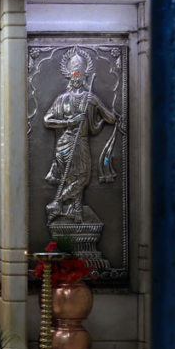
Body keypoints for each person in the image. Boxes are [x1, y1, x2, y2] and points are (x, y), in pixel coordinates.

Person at [43, 48, 116, 223]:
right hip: (65, 144)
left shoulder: (91, 98)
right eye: (73, 74)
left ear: (85, 76)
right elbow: (46, 120)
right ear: (69, 75)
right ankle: (76, 212)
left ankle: (58, 202)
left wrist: (97, 105)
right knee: (71, 179)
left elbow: (111, 119)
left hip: (82, 142)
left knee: (83, 178)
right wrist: (70, 122)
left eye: (79, 74)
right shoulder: (62, 99)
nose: (76, 77)